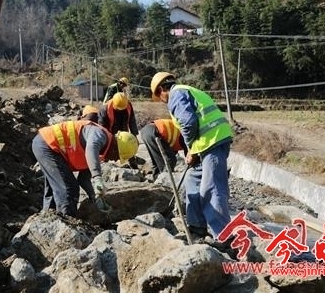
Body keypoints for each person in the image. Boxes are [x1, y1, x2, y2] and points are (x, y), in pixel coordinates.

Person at [150, 72, 233, 244]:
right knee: (192, 179)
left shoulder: (176, 95)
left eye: (159, 96)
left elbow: (188, 122)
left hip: (213, 141)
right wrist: (194, 150)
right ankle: (197, 227)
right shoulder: (184, 91)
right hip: (207, 143)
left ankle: (224, 237)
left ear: (161, 90)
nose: (162, 100)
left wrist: (191, 150)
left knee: (211, 189)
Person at [31, 119, 139, 217]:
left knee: (55, 187)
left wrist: (95, 197)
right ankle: (67, 221)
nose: (115, 160)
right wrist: (97, 176)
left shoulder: (99, 153)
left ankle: (47, 218)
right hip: (48, 144)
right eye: (117, 157)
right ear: (115, 149)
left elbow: (84, 179)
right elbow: (92, 147)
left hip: (47, 145)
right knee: (69, 188)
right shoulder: (100, 135)